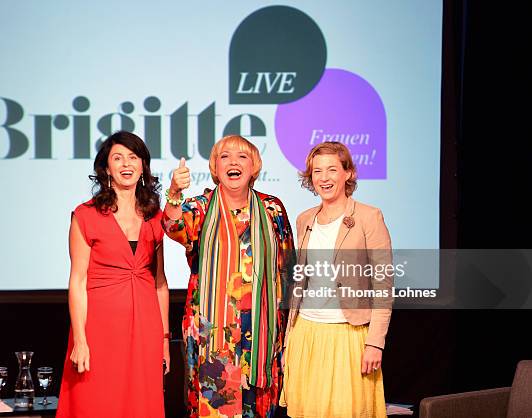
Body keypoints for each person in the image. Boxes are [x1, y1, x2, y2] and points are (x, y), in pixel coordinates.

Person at [162, 135, 295, 418]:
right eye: (225, 156)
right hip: (211, 336)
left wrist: (289, 332)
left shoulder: (273, 209)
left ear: (254, 166)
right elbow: (172, 226)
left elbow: (288, 272)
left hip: (262, 335)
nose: (234, 162)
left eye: (242, 156)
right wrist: (174, 191)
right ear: (215, 166)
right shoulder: (198, 208)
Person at [56, 131, 170, 418]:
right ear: (106, 168)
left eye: (133, 157)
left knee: (140, 405)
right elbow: (78, 281)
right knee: (95, 402)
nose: (126, 164)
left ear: (143, 166)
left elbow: (160, 283)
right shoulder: (86, 215)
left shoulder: (155, 216)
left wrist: (165, 341)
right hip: (99, 329)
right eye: (117, 158)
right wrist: (80, 340)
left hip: (146, 328)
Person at [279, 141, 393, 418]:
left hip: (348, 334)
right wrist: (289, 341)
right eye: (317, 171)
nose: (324, 178)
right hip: (306, 333)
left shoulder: (369, 216)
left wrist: (375, 342)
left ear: (348, 173)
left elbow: (383, 284)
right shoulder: (305, 218)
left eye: (332, 169)